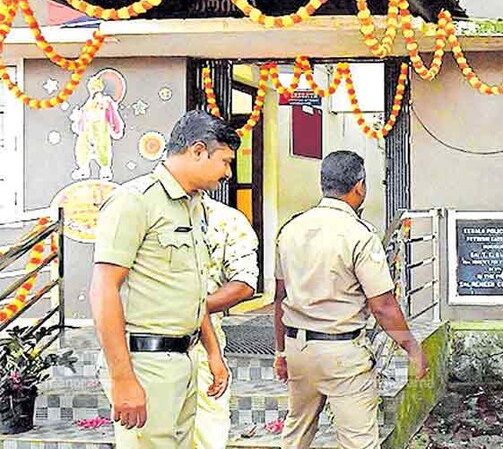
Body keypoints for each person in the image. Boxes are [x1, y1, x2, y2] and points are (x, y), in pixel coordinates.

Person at [90, 110, 236, 448]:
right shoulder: (134, 201)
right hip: (145, 362)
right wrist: (123, 379)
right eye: (225, 162)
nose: (228, 173)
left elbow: (191, 289)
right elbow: (103, 289)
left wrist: (213, 353)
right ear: (198, 151)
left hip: (185, 358)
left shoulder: (194, 205)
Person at [273, 150, 428, 448]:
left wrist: (281, 352)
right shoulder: (359, 235)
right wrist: (412, 348)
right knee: (358, 442)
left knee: (296, 435)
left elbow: (280, 298)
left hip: (298, 350)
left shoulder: (290, 230)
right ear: (359, 187)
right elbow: (382, 305)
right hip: (342, 352)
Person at [192, 195, 260, 448]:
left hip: (199, 343)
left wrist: (190, 306)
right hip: (140, 347)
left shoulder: (224, 219)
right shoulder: (138, 208)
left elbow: (245, 283)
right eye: (224, 162)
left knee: (208, 433)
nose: (228, 173)